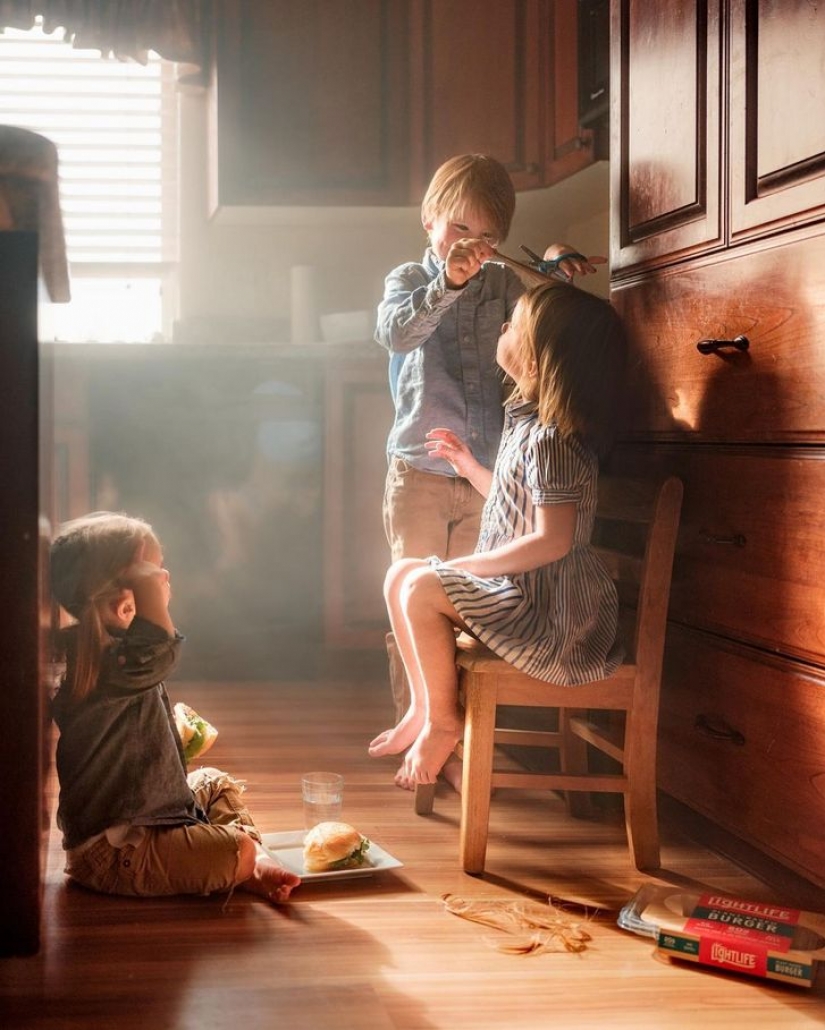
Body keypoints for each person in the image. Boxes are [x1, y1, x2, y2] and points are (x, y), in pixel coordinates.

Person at [376, 153, 603, 739]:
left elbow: (547, 321)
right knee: (408, 598)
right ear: (429, 219)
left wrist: (553, 257)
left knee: (464, 604)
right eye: (457, 227)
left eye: (485, 237)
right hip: (420, 471)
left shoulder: (503, 283)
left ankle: (462, 733)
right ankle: (420, 725)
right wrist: (448, 284)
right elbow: (396, 333)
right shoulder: (408, 279)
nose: (469, 245)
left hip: (489, 475)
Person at [369, 280, 626, 790]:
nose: (503, 327)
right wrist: (469, 467)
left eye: (515, 326)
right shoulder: (527, 426)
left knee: (422, 585)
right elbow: (515, 501)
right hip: (524, 599)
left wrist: (464, 567)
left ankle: (444, 721)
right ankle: (424, 706)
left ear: (534, 363)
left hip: (550, 617)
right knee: (402, 573)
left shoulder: (552, 441)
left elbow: (552, 540)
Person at [49, 511, 301, 904]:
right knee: (240, 849)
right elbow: (158, 646)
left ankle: (243, 863)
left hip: (144, 817)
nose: (164, 577)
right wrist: (147, 586)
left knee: (214, 781)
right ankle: (246, 862)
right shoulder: (112, 663)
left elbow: (127, 743)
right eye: (153, 573)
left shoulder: (109, 656)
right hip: (115, 853)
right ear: (124, 604)